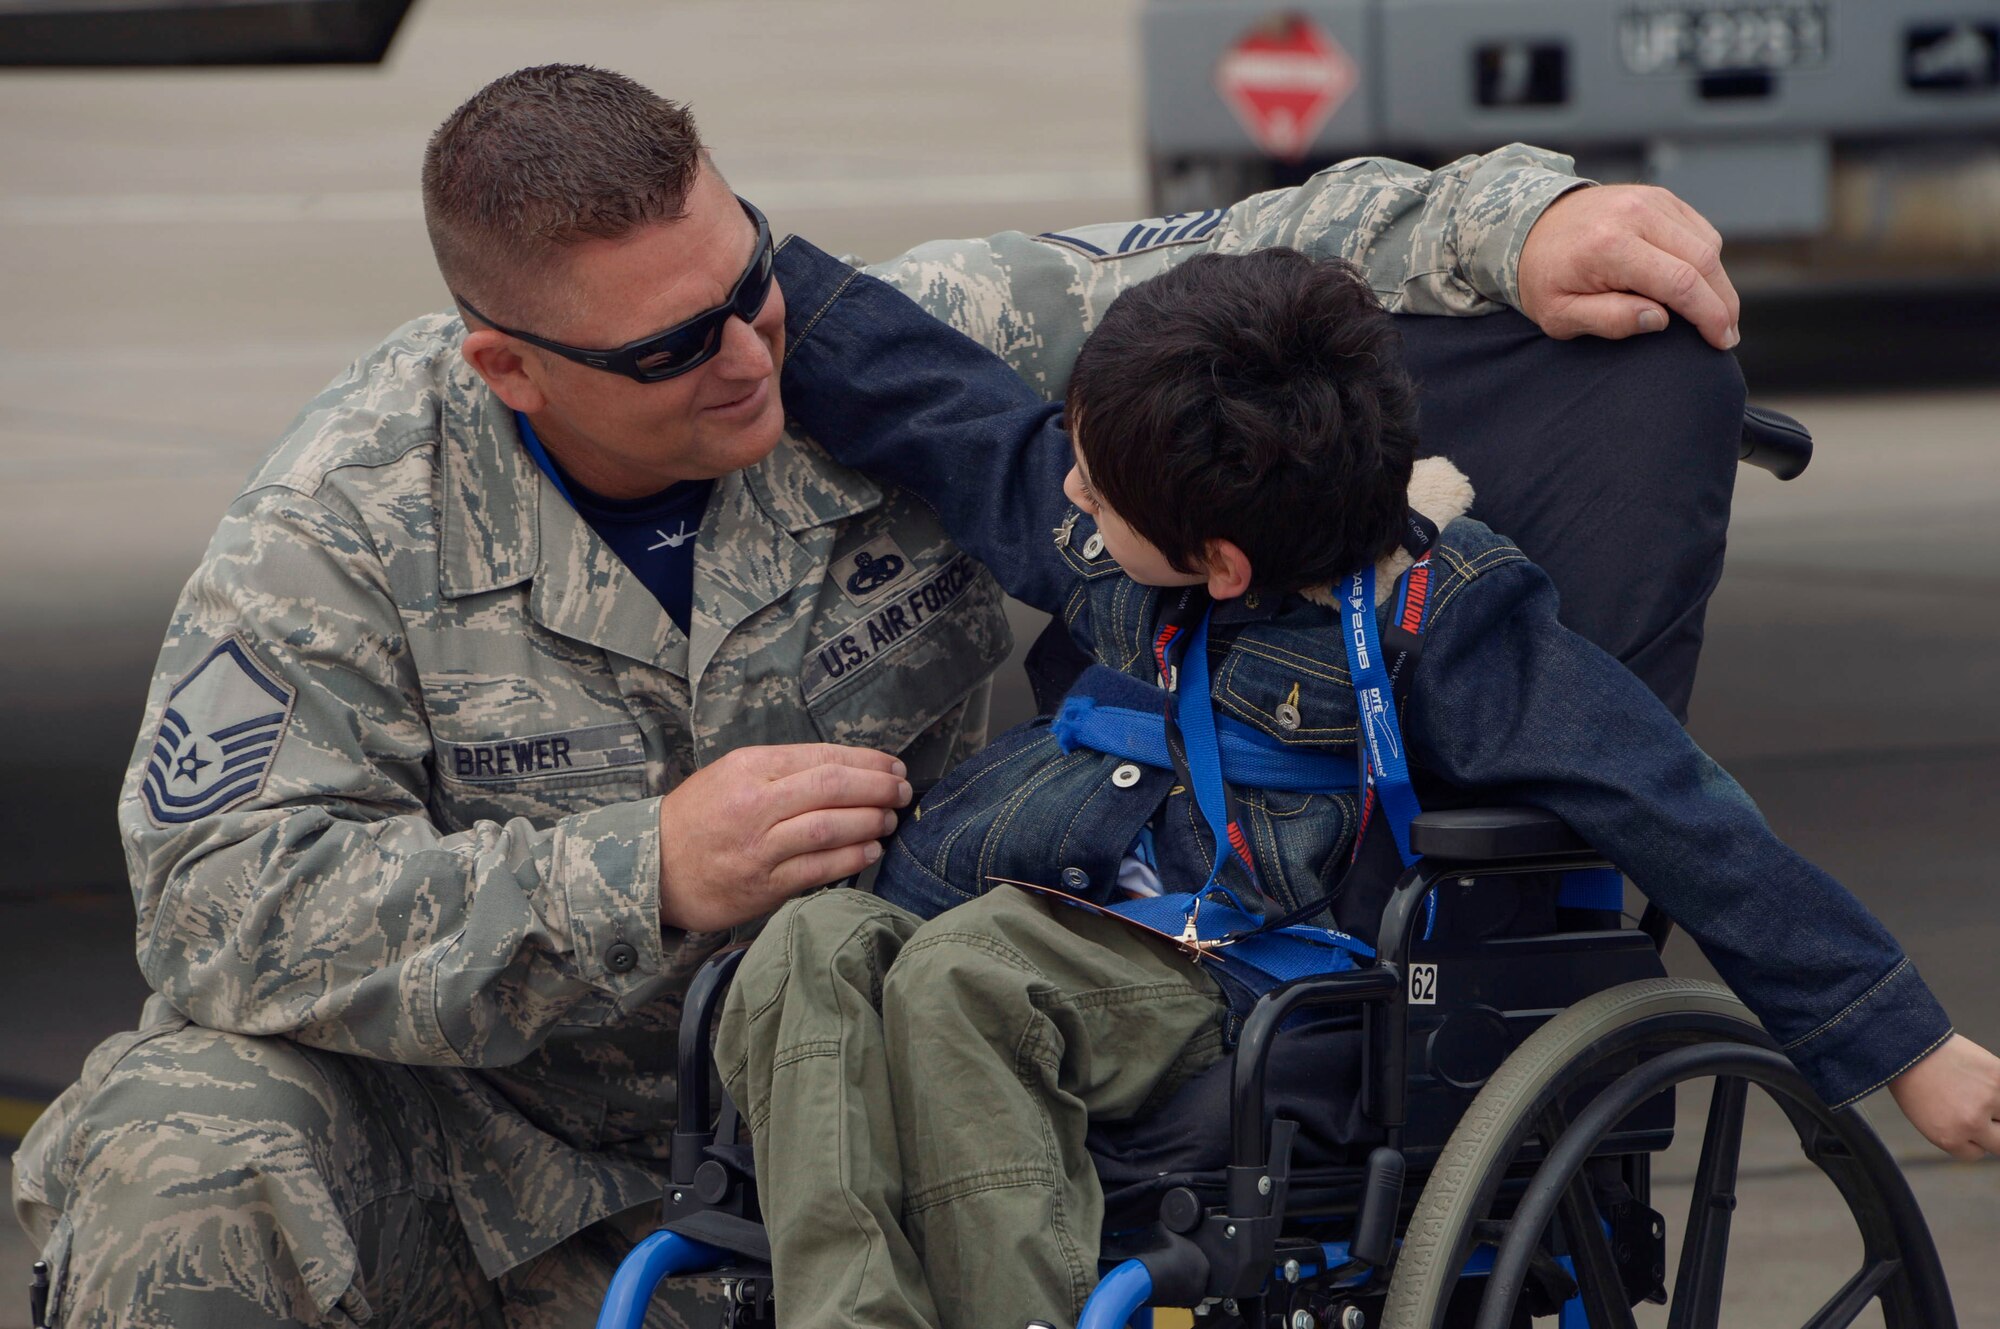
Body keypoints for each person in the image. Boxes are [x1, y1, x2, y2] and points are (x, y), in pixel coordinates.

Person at [12, 60, 1758, 1328]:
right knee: (176, 1142)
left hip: (836, 1118)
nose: (758, 354)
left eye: (753, 281)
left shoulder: (879, 342)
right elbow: (223, 908)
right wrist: (644, 872)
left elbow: (1237, 247)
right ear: (508, 363)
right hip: (471, 1138)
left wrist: (1521, 215)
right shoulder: (344, 514)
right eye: (674, 347)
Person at [719, 243, 2000, 1329]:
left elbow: (1676, 813)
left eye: (1090, 485)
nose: (1065, 491)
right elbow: (950, 416)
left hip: (1236, 962)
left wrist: (1904, 1047)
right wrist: (752, 266)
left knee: (961, 979)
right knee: (805, 946)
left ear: (1214, 563)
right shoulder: (1120, 546)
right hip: (1041, 889)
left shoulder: (1439, 623)